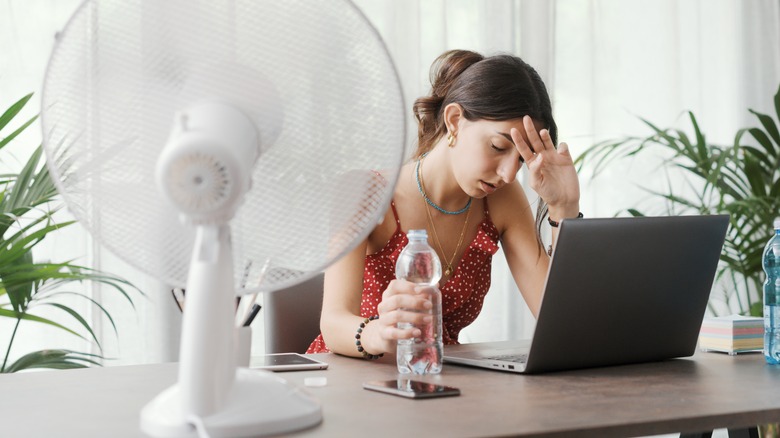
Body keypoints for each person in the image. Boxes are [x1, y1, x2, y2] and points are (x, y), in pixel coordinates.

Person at [306, 49, 581, 358]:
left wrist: (563, 209)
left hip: (441, 380)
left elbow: (556, 319)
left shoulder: (501, 198)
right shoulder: (365, 191)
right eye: (497, 146)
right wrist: (381, 333)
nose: (507, 173)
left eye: (520, 158)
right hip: (356, 377)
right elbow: (333, 323)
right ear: (454, 121)